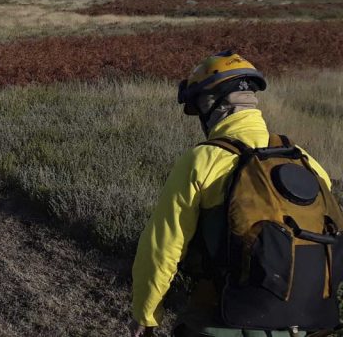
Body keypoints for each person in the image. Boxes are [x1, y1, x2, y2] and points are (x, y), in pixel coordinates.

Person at [130, 51, 341, 337]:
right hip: (305, 324)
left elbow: (162, 248)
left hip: (224, 319)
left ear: (210, 106)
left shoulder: (203, 159)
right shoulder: (304, 158)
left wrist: (146, 313)